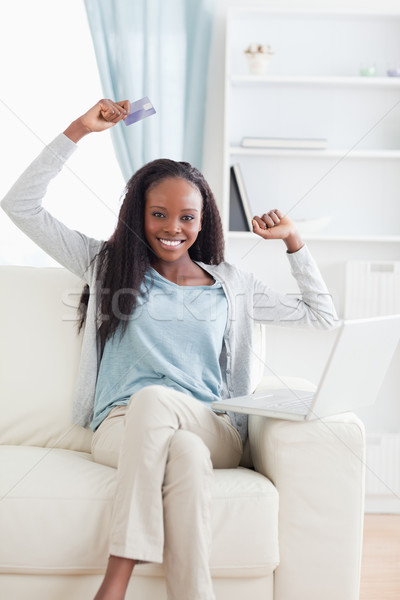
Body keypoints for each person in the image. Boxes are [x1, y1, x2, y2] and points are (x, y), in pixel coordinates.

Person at [1, 99, 337, 600]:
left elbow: (321, 316)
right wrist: (78, 130)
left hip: (213, 426)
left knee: (161, 404)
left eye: (186, 217)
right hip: (120, 428)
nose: (172, 228)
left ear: (204, 222)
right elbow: (20, 205)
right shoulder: (106, 263)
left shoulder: (232, 285)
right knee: (179, 450)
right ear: (139, 214)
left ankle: (115, 579)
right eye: (158, 214)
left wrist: (294, 242)